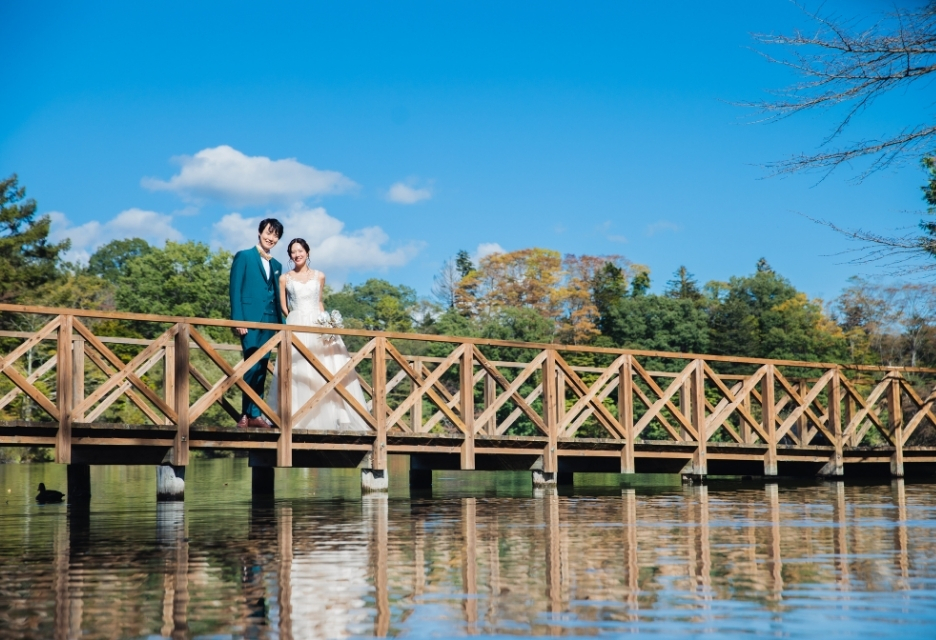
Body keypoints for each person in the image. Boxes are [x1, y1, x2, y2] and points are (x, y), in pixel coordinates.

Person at [268, 238, 370, 431]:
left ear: (307, 252)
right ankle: (297, 416)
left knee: (325, 366)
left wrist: (327, 325)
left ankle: (335, 415)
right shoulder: (285, 278)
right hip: (296, 322)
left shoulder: (320, 276)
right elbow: (283, 305)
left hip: (318, 322)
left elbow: (319, 301)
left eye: (300, 251)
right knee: (297, 368)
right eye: (293, 252)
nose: (297, 255)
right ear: (290, 255)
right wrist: (295, 317)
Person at [230, 218, 285, 428]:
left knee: (262, 367)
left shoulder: (277, 265)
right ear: (260, 232)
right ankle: (246, 414)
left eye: (275, 235)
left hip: (270, 322)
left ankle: (256, 414)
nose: (271, 238)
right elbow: (235, 290)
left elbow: (277, 297)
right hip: (249, 320)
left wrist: (282, 325)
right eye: (268, 233)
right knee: (251, 366)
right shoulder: (244, 256)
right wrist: (238, 320)